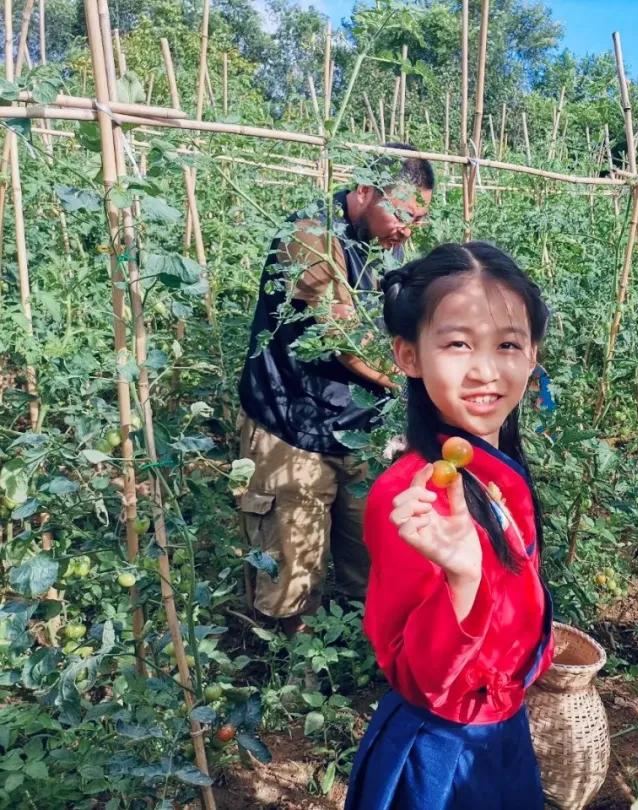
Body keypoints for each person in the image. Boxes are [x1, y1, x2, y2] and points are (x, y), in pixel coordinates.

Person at [344, 243, 553, 809]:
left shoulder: (495, 470)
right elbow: (424, 679)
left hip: (501, 733)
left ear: (532, 354)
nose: (485, 370)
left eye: (507, 344)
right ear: (408, 355)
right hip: (442, 755)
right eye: (458, 344)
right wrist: (463, 578)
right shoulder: (413, 499)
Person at [236, 144, 435, 635]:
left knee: (369, 560)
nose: (407, 230)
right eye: (402, 215)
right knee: (291, 572)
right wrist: (422, 382)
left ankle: (350, 661)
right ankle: (285, 670)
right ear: (365, 190)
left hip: (357, 427)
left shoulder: (387, 242)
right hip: (292, 425)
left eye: (418, 220)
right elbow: (345, 339)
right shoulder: (310, 237)